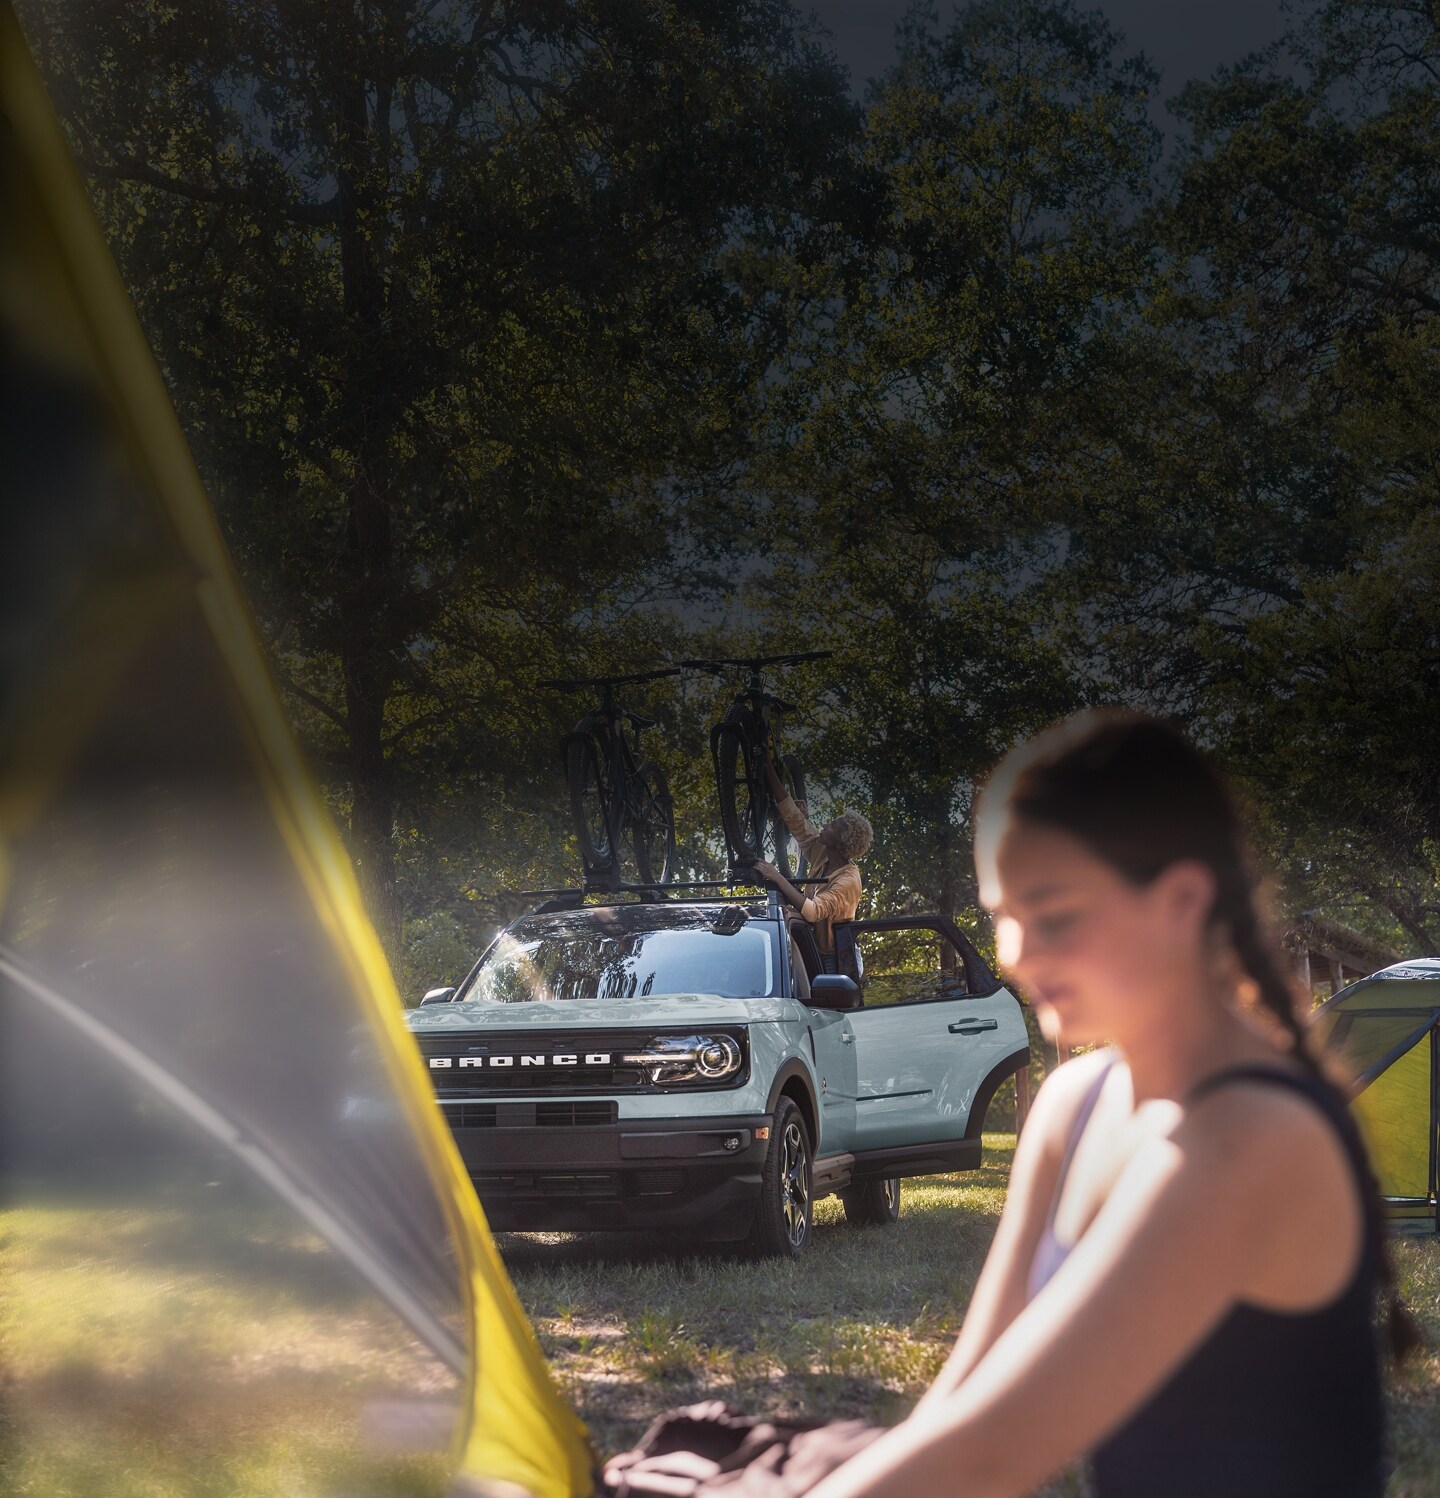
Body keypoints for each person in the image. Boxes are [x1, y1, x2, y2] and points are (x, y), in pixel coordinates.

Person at [804, 709, 1412, 1498]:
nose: (1013, 953)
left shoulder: (1252, 1135)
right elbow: (966, 1400)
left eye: (1051, 913)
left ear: (1181, 899)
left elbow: (993, 1452)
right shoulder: (1073, 1102)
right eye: (1002, 915)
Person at [751, 756, 871, 966]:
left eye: (832, 825)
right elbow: (796, 822)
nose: (824, 825)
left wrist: (776, 877)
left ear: (842, 840)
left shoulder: (848, 881)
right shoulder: (824, 853)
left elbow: (813, 912)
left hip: (835, 959)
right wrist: (769, 771)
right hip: (814, 950)